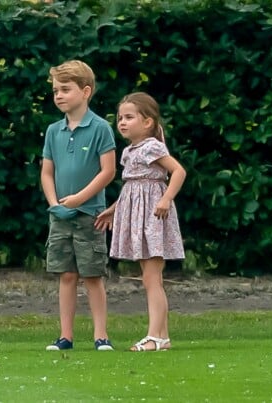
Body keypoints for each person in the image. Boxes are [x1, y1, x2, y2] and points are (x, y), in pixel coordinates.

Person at [95, 92, 186, 352]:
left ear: (147, 122)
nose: (122, 122)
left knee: (151, 277)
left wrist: (166, 199)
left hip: (153, 217)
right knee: (149, 277)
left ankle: (155, 336)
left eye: (129, 117)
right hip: (137, 216)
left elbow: (178, 171)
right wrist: (115, 209)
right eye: (120, 118)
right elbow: (131, 188)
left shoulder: (153, 147)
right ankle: (162, 336)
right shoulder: (129, 152)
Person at [40, 60, 117, 351]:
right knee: (66, 275)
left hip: (90, 214)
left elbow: (107, 171)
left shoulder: (101, 128)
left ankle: (101, 336)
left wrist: (79, 199)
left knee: (92, 275)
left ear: (85, 91)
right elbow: (47, 172)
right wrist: (54, 203)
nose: (58, 95)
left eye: (65, 89)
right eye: (56, 90)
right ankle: (66, 337)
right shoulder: (53, 131)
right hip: (59, 216)